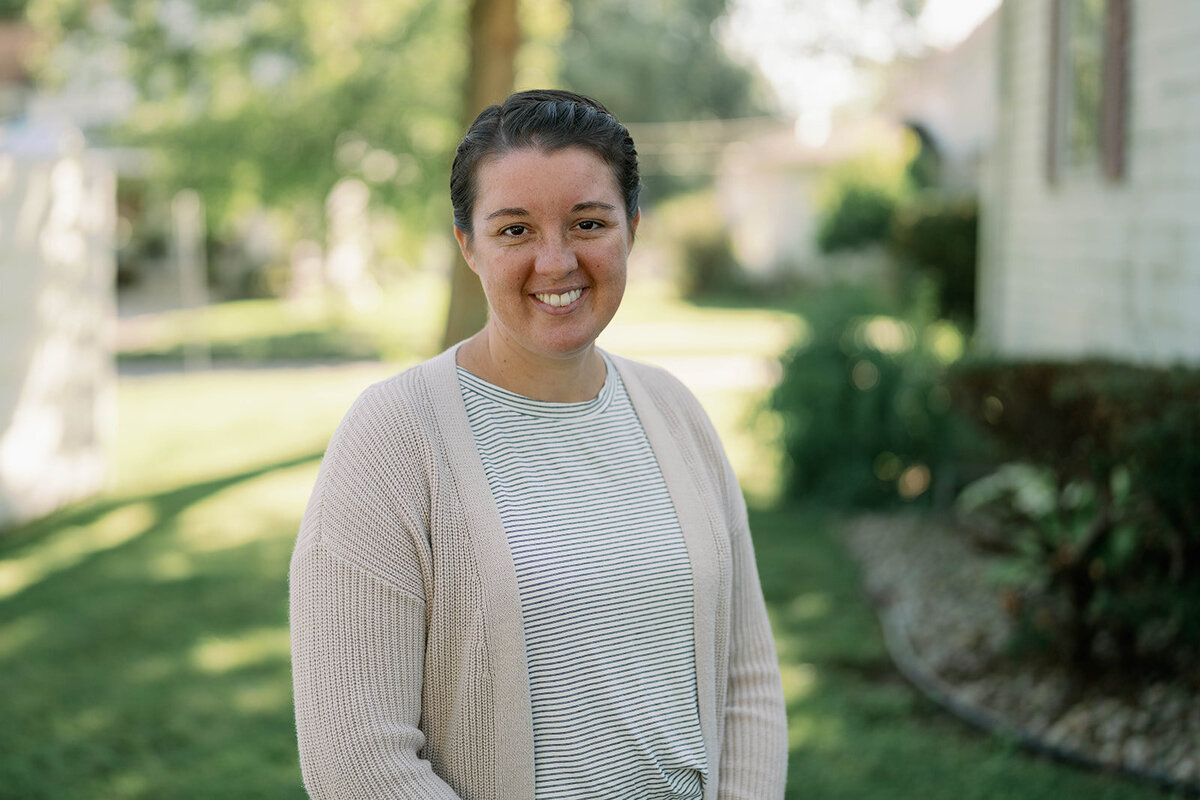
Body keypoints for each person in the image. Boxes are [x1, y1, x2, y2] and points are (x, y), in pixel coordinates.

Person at [289, 89, 787, 800]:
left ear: (632, 231)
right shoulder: (393, 440)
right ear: (468, 245)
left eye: (588, 222)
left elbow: (749, 684)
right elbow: (356, 763)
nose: (556, 262)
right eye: (514, 230)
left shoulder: (676, 414)